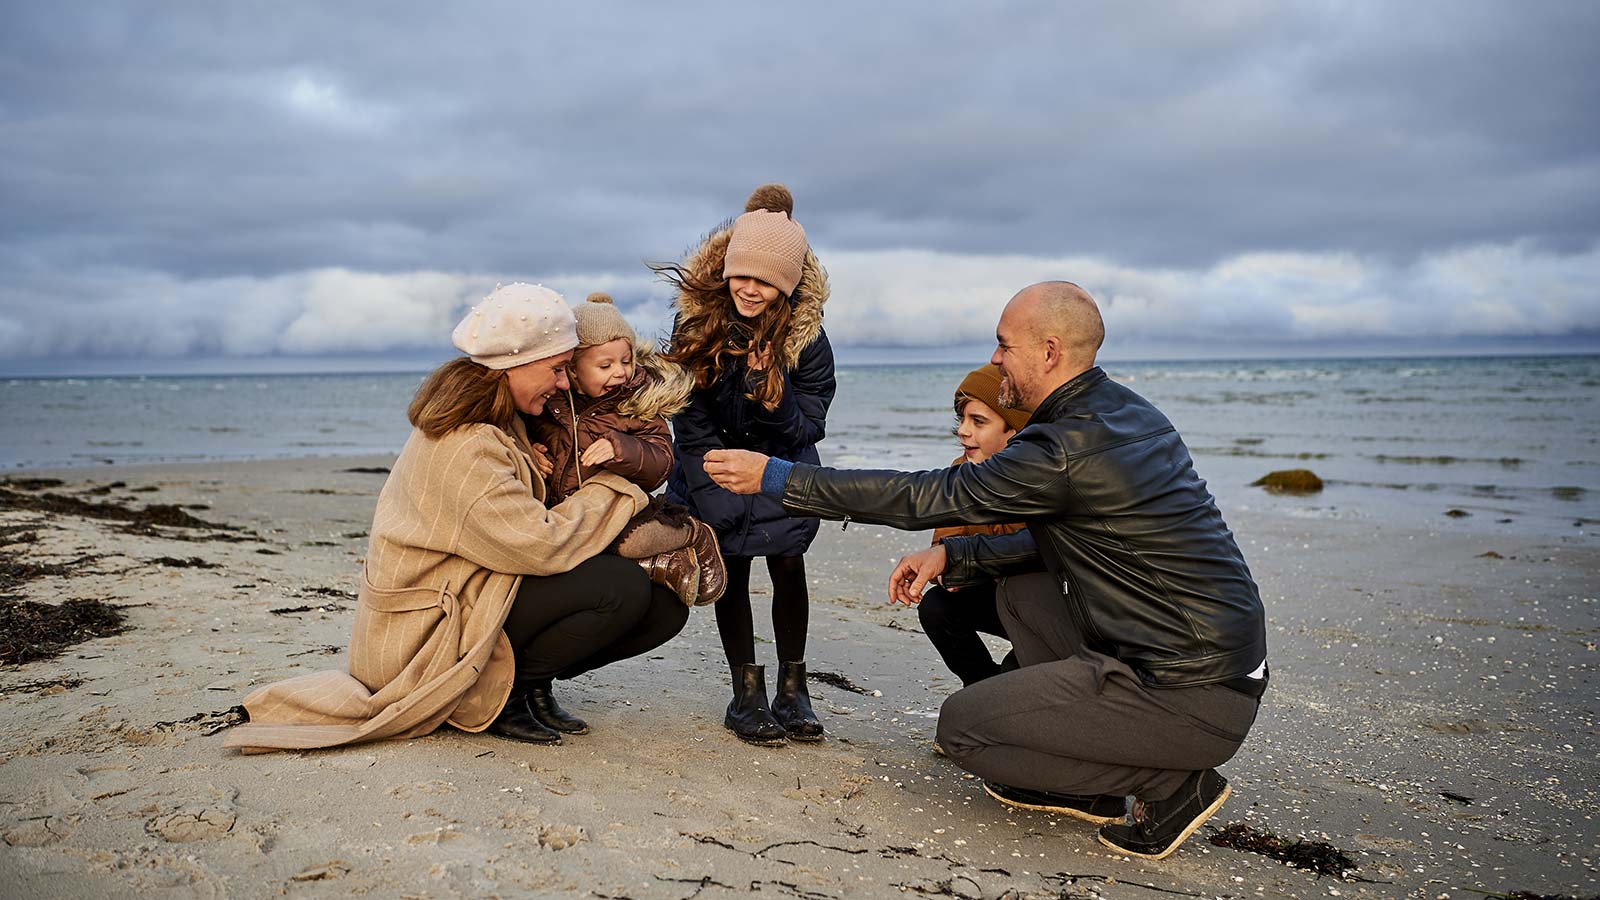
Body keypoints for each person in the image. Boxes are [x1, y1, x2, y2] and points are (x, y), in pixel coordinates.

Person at [701, 281, 1268, 860]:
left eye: (1004, 345)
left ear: (1049, 352)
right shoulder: (1125, 411)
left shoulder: (1064, 447)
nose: (996, 358)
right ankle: (1099, 781)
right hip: (1216, 662)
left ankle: (1171, 786)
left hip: (1187, 688)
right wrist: (956, 554)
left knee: (964, 729)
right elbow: (1061, 545)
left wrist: (778, 478)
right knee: (1021, 595)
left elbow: (925, 497)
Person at [225, 283, 690, 753]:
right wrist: (619, 487)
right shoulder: (467, 443)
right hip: (423, 633)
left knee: (662, 608)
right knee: (619, 587)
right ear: (515, 366)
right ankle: (492, 692)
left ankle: (529, 682)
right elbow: (540, 544)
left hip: (471, 590)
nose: (564, 383)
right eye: (555, 369)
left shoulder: (505, 417)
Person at [655, 183, 836, 746]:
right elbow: (691, 421)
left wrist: (771, 392)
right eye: (742, 275)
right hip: (712, 469)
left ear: (785, 286)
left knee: (787, 564)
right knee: (731, 565)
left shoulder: (808, 343)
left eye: (764, 280)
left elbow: (808, 429)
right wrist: (715, 490)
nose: (750, 289)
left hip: (781, 470)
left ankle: (793, 690)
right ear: (726, 271)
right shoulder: (698, 329)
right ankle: (745, 693)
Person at [526, 291, 726, 606]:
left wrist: (621, 449)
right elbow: (522, 434)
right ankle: (662, 567)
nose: (619, 372)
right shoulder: (551, 404)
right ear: (573, 370)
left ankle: (692, 534)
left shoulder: (637, 403)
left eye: (626, 360)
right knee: (568, 556)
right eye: (605, 366)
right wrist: (531, 452)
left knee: (628, 542)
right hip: (566, 511)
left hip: (622, 510)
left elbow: (661, 459)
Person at [916, 364, 1029, 688]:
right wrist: (946, 568)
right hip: (998, 596)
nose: (963, 431)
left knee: (1018, 673)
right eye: (962, 420)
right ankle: (980, 686)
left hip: (1046, 610)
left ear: (1015, 429)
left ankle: (1006, 687)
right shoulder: (960, 472)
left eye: (978, 422)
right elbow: (945, 544)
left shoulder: (1044, 478)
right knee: (936, 606)